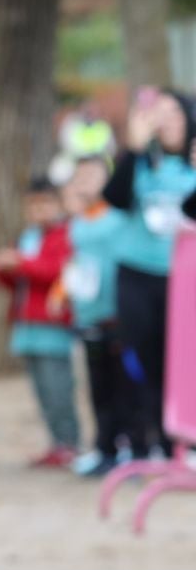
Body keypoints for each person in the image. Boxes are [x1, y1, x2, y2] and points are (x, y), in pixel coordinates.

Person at [103, 88, 196, 458]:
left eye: (175, 113)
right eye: (161, 113)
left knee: (186, 360)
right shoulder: (141, 162)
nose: (168, 121)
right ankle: (151, 439)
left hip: (184, 279)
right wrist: (133, 148)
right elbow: (115, 199)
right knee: (143, 359)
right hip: (138, 275)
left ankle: (185, 440)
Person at [0, 177, 79, 467]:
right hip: (25, 325)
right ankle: (56, 442)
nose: (39, 210)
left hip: (53, 326)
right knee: (41, 390)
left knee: (58, 388)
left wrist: (21, 263)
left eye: (45, 203)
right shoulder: (27, 237)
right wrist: (2, 268)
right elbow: (16, 283)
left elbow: (57, 272)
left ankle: (70, 443)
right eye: (33, 204)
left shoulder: (67, 235)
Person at [64, 156, 129, 475]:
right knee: (97, 386)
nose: (86, 181)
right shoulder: (77, 222)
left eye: (93, 174)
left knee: (124, 385)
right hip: (86, 316)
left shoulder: (120, 217)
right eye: (80, 176)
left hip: (116, 316)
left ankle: (128, 445)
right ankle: (103, 447)